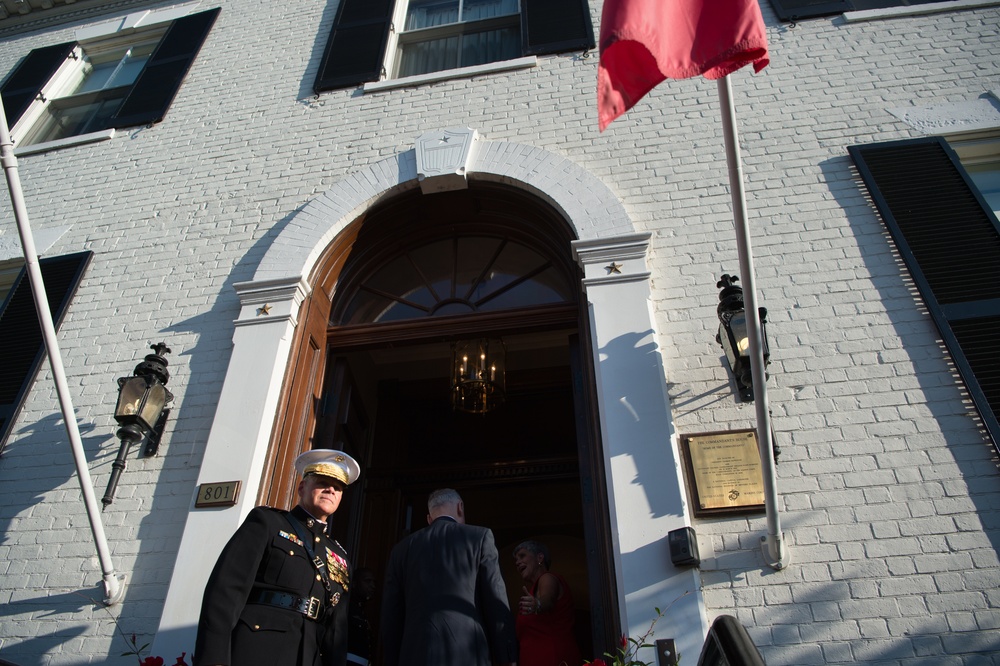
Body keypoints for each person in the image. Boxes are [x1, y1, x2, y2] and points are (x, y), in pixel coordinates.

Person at [194, 449, 361, 666]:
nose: (330, 489)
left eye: (338, 487)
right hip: (257, 650)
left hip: (308, 655)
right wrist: (213, 660)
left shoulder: (339, 557)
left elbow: (336, 630)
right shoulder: (268, 523)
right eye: (322, 482)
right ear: (302, 487)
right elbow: (225, 592)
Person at [380, 488, 518, 666]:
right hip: (469, 655)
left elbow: (391, 614)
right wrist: (507, 658)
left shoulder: (401, 550)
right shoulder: (480, 537)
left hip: (415, 656)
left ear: (429, 518)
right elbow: (496, 601)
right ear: (460, 507)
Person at [513, 541, 581, 666]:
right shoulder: (533, 589)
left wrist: (537, 604)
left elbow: (548, 599)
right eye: (516, 560)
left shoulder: (547, 577)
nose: (517, 562)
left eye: (522, 556)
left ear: (540, 558)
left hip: (554, 658)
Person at [346, 567, 376, 666]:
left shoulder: (362, 612)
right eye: (367, 581)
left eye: (373, 582)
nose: (372, 586)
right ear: (354, 583)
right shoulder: (346, 608)